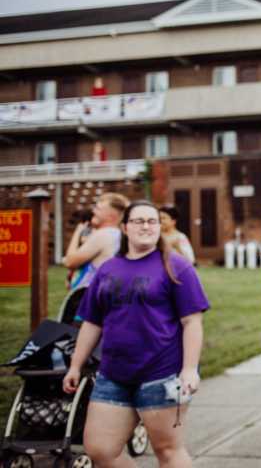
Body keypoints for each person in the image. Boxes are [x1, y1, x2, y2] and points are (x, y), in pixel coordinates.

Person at [62, 200, 210, 468]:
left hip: (162, 374)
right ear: (124, 228)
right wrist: (75, 365)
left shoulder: (176, 267)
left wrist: (189, 369)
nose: (146, 226)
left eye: (152, 221)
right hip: (113, 375)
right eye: (138, 221)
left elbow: (192, 322)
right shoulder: (107, 269)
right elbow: (92, 323)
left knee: (168, 451)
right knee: (101, 450)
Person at [63, 192, 129, 290]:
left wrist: (78, 231)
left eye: (98, 208)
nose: (93, 211)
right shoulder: (117, 234)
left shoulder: (104, 234)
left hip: (91, 300)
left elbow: (69, 262)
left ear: (110, 216)